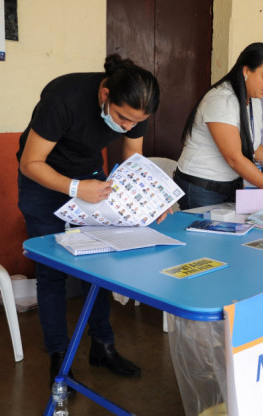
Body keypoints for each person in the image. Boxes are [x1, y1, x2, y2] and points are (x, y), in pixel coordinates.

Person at [17, 54, 161, 389]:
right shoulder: (63, 100)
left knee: (98, 267)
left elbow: (132, 159)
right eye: (122, 119)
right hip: (43, 179)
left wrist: (148, 200)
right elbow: (30, 162)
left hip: (90, 176)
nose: (127, 127)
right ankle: (58, 356)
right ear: (105, 94)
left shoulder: (136, 108)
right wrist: (75, 188)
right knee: (51, 270)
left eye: (135, 123)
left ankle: (103, 346)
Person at [174, 42, 263, 210]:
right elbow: (234, 158)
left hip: (230, 187)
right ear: (246, 71)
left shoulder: (253, 100)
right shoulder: (221, 99)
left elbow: (253, 147)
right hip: (201, 189)